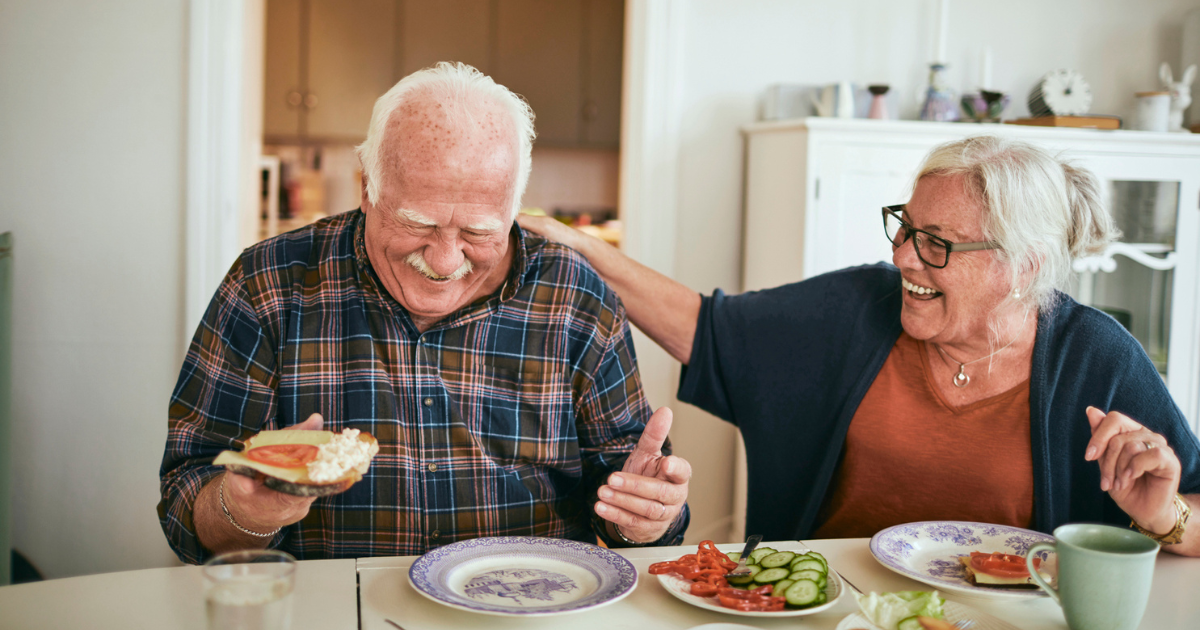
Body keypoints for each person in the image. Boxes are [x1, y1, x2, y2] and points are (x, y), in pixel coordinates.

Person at [519, 135, 1200, 556]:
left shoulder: (1095, 356)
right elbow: (705, 328)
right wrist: (580, 245)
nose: (904, 256)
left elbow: (1189, 511)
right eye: (905, 227)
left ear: (1022, 265)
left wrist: (1162, 514)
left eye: (937, 244)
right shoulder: (857, 309)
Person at [158, 62, 691, 564]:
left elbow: (635, 504)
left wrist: (646, 519)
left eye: (479, 232)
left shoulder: (576, 296)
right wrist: (242, 512)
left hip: (532, 608)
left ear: (514, 207)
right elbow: (186, 507)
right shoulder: (268, 284)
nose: (443, 260)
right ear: (366, 187)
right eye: (417, 223)